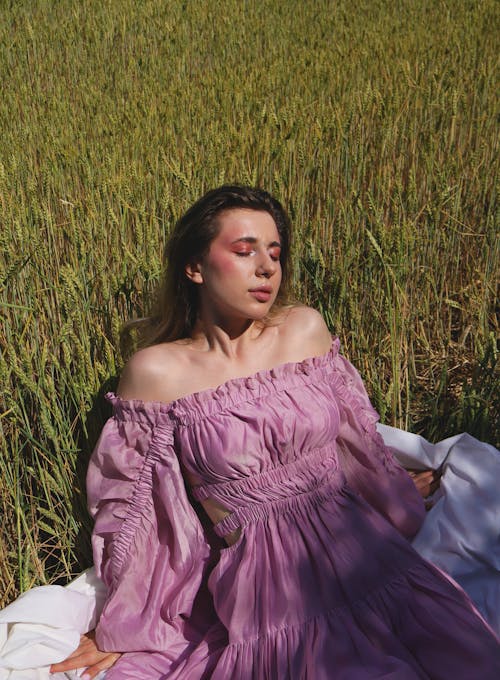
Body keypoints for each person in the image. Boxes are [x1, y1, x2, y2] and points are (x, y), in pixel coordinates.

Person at [50, 185, 499, 679]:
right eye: (244, 251)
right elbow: (144, 516)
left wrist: (392, 492)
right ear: (195, 267)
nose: (266, 267)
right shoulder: (157, 372)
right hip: (267, 582)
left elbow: (358, 441)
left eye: (275, 252)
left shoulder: (303, 330)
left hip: (365, 549)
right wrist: (123, 619)